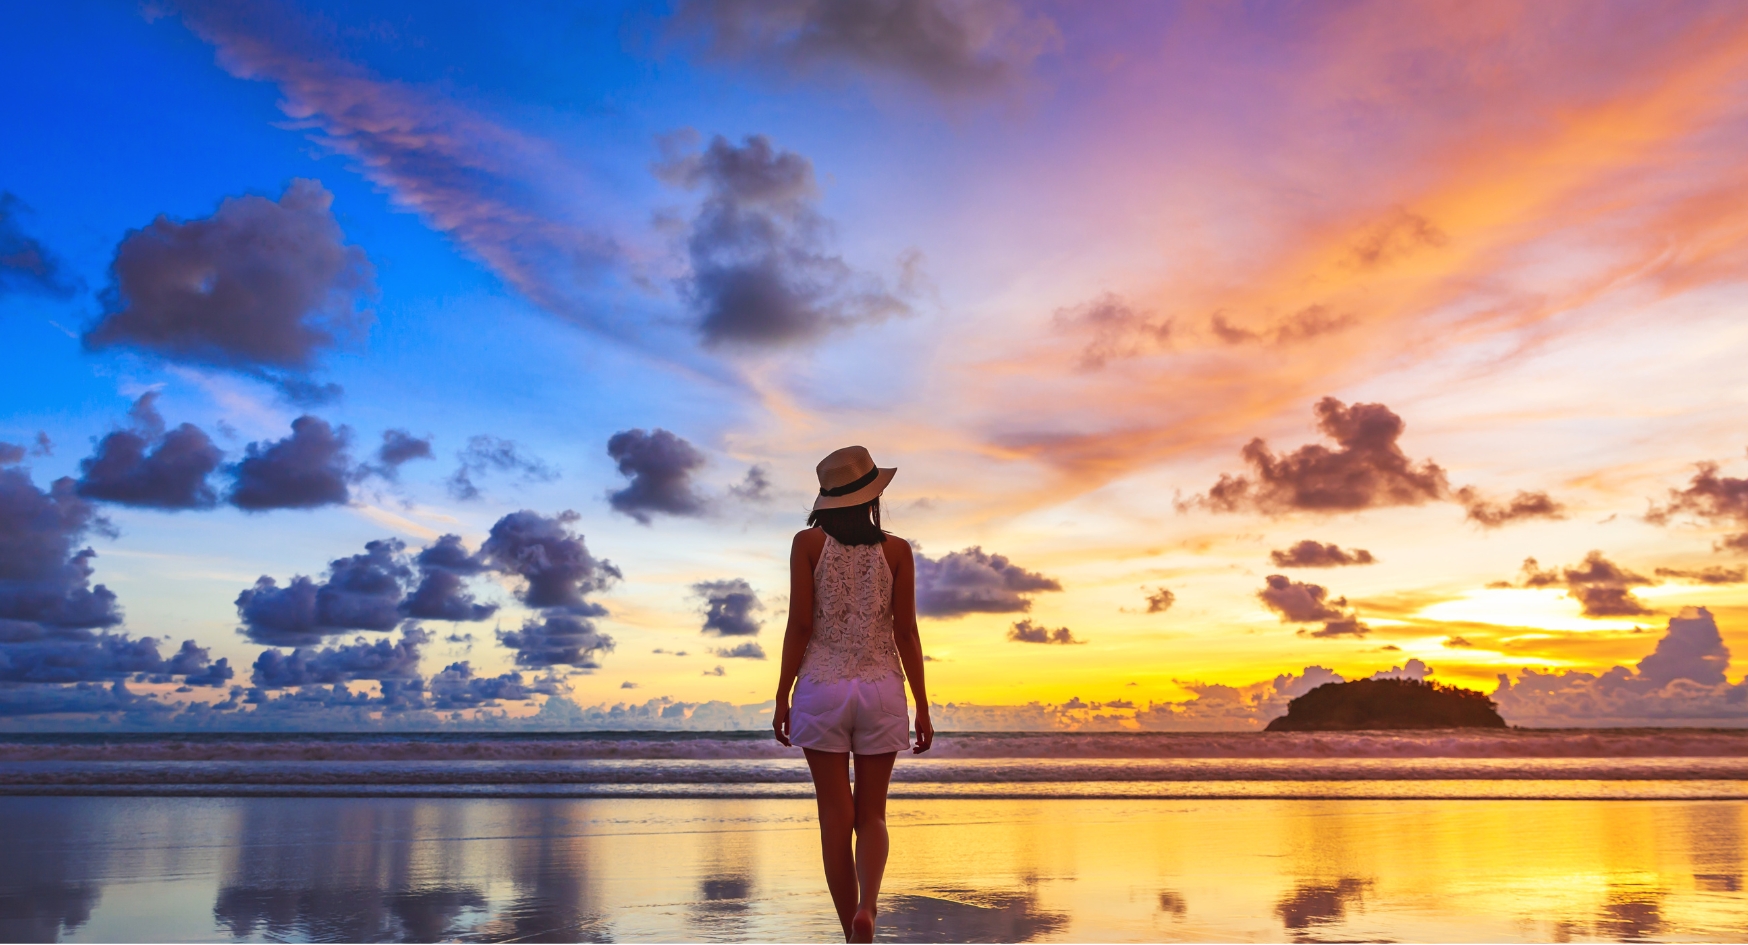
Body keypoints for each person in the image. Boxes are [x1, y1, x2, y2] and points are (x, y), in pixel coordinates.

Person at [773, 445, 933, 944]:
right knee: (873, 814)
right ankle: (868, 906)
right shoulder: (898, 550)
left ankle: (851, 933)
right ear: (872, 496)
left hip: (822, 688)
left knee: (834, 817)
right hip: (881, 686)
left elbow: (800, 625)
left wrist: (782, 695)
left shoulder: (806, 544)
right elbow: (906, 632)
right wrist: (923, 706)